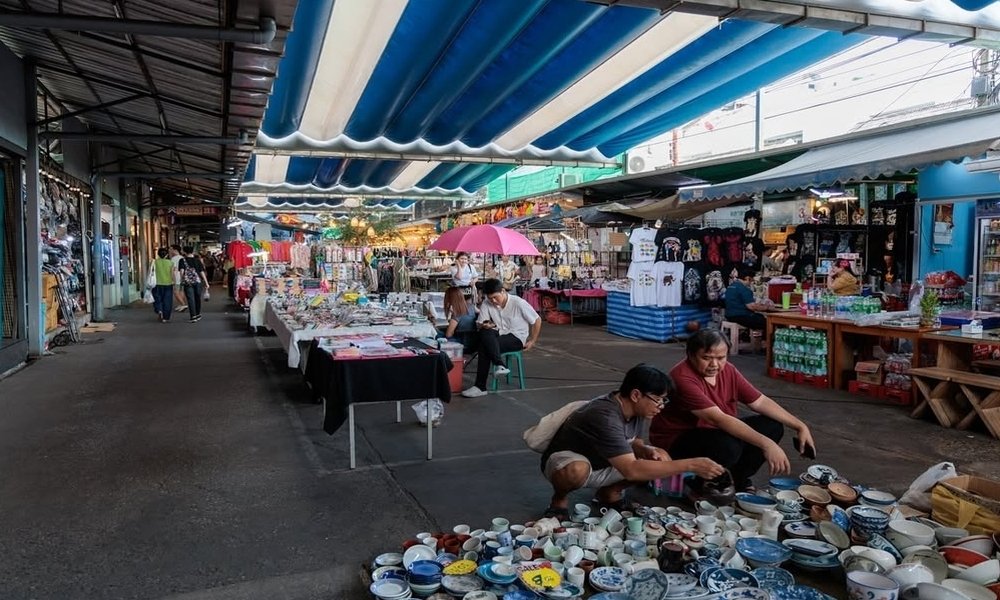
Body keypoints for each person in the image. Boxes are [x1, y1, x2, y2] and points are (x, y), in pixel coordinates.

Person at [540, 364, 724, 518]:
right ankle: (559, 499)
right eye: (658, 400)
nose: (660, 407)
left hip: (605, 460)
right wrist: (692, 465)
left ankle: (610, 493)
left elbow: (632, 440)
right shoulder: (604, 415)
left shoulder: (636, 409)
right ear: (636, 395)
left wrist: (644, 448)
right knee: (576, 469)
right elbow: (631, 469)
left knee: (661, 458)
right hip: (565, 462)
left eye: (663, 401)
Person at [649, 329, 816, 496]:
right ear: (691, 355)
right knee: (730, 445)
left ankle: (738, 479)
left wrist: (800, 426)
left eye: (721, 358)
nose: (715, 364)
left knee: (772, 426)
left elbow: (759, 402)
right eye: (706, 358)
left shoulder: (728, 370)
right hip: (677, 441)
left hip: (714, 432)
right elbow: (718, 419)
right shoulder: (682, 377)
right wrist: (767, 444)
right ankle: (700, 485)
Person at [461, 279, 541, 398]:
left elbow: (536, 320)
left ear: (503, 291)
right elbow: (480, 323)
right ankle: (499, 364)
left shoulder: (518, 303)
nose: (493, 301)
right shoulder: (487, 303)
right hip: (497, 334)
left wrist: (532, 340)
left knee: (484, 346)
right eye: (490, 298)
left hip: (516, 337)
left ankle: (480, 386)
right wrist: (484, 325)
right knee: (484, 332)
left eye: (495, 297)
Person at [724, 265, 771, 331]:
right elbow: (751, 306)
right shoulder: (744, 289)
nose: (751, 283)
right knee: (767, 322)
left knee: (759, 317)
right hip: (741, 316)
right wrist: (766, 307)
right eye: (751, 280)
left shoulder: (730, 287)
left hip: (729, 315)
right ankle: (766, 340)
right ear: (747, 278)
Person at [178, 246, 209, 323]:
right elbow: (202, 272)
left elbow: (182, 272)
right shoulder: (197, 260)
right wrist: (206, 282)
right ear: (192, 251)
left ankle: (193, 316)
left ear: (184, 252)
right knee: (197, 298)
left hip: (188, 283)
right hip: (198, 282)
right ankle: (198, 314)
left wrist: (183, 280)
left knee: (190, 299)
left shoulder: (182, 260)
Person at [151, 248, 175, 323]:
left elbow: (151, 272)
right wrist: (173, 281)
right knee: (167, 300)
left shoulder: (154, 262)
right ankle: (166, 318)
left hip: (156, 284)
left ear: (158, 254)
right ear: (167, 255)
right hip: (168, 284)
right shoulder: (170, 263)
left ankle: (159, 310)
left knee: (157, 299)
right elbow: (172, 274)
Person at [169, 245, 188, 313]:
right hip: (182, 277)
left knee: (175, 292)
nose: (170, 250)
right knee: (181, 291)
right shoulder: (182, 257)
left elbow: (172, 270)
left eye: (171, 249)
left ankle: (183, 304)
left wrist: (172, 279)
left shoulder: (174, 259)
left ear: (175, 250)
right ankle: (180, 305)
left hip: (176, 277)